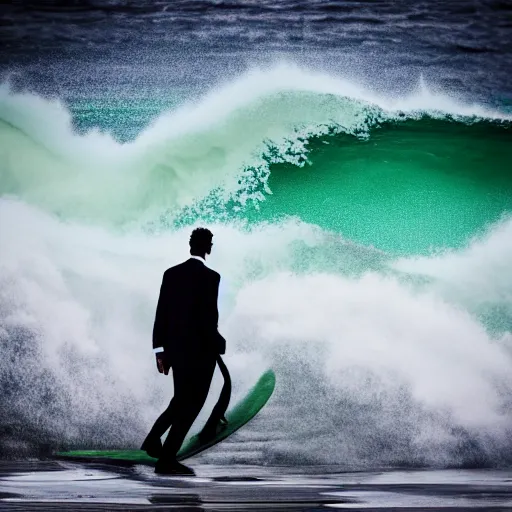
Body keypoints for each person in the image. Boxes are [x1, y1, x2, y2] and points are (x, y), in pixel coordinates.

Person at [141, 227, 227, 476]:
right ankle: (166, 460)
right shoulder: (212, 277)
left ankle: (152, 440)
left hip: (176, 351)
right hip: (201, 352)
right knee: (192, 404)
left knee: (180, 400)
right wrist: (219, 344)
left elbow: (162, 314)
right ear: (208, 248)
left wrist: (160, 351)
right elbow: (209, 318)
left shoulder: (171, 274)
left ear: (190, 246)